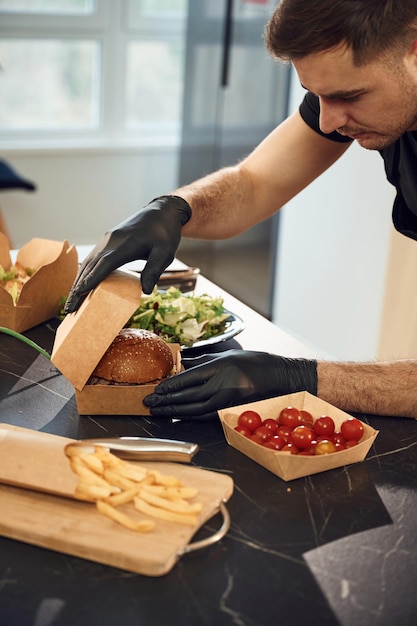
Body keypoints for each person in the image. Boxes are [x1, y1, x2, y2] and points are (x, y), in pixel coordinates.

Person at [65, 0, 417, 421]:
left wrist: (301, 376)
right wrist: (175, 208)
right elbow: (255, 183)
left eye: (348, 96)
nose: (327, 122)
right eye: (315, 95)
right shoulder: (353, 103)